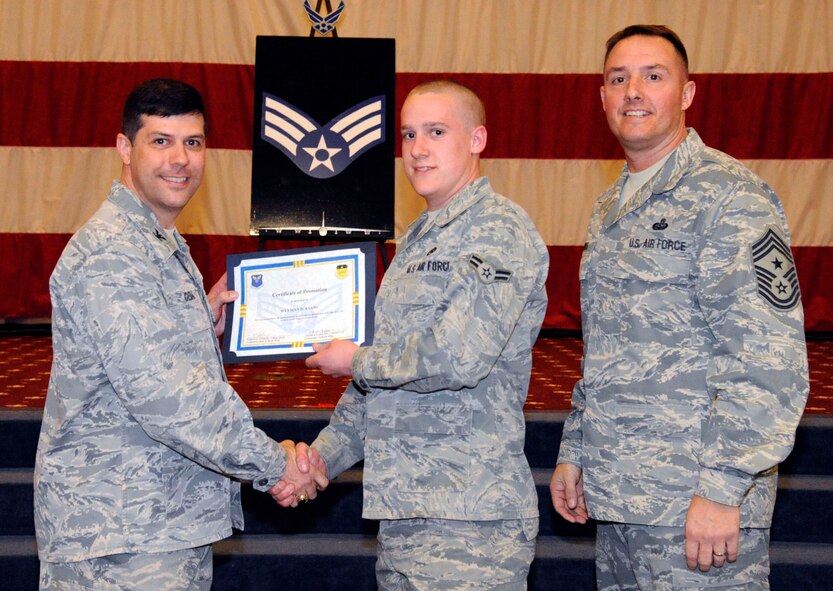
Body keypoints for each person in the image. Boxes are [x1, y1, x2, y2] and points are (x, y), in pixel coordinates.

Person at [33, 78, 327, 591]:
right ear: (125, 148)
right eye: (161, 141)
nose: (181, 160)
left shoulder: (158, 243)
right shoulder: (112, 254)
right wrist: (273, 463)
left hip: (154, 527)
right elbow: (170, 399)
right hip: (118, 538)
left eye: (193, 142)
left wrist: (194, 320)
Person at [550, 25, 809, 590]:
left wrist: (721, 488)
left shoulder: (730, 197)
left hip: (696, 508)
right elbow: (607, 349)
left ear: (687, 94)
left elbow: (769, 361)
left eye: (653, 76)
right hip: (622, 499)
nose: (633, 91)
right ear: (602, 97)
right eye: (618, 78)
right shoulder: (610, 207)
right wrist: (576, 448)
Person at [289, 80, 550, 589]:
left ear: (477, 140)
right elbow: (378, 387)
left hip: (468, 521)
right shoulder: (415, 240)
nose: (417, 149)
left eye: (436, 131)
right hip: (407, 514)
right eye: (408, 135)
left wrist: (357, 359)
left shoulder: (497, 229)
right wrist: (319, 459)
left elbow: (457, 357)